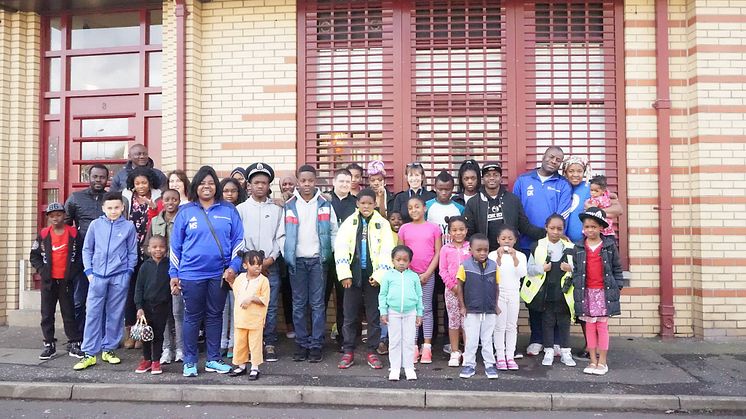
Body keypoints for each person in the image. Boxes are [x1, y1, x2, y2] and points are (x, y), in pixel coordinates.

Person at [169, 166, 245, 377]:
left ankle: (213, 359)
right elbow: (175, 246)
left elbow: (239, 242)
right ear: (196, 186)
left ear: (216, 187)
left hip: (219, 274)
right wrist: (173, 274)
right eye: (202, 183)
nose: (207, 187)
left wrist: (233, 268)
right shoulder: (186, 212)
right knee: (192, 317)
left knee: (214, 316)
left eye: (211, 183)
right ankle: (190, 361)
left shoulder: (229, 210)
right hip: (190, 274)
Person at [514, 148, 572, 358]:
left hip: (555, 245)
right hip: (529, 245)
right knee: (534, 295)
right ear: (543, 157)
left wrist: (551, 235)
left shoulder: (563, 185)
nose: (553, 161)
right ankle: (536, 339)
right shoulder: (523, 180)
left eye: (558, 160)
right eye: (551, 157)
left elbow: (563, 214)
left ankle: (556, 341)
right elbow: (517, 211)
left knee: (555, 295)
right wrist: (535, 234)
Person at [73, 191, 138, 370]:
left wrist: (128, 272)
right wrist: (89, 272)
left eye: (117, 207)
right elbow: (87, 249)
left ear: (123, 207)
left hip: (119, 276)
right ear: (103, 208)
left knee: (115, 314)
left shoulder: (128, 227)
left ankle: (109, 349)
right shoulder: (95, 225)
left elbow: (133, 251)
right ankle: (89, 353)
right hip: (97, 277)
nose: (113, 211)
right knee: (93, 313)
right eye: (109, 208)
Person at [335, 189, 395, 370]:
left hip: (372, 277)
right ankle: (348, 351)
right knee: (350, 315)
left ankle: (372, 351)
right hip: (352, 276)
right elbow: (341, 247)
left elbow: (387, 250)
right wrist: (344, 273)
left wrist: (379, 276)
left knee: (373, 316)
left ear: (375, 204)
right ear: (357, 204)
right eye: (363, 203)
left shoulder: (382, 224)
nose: (366, 206)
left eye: (370, 203)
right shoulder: (349, 223)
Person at [284, 165, 338, 363]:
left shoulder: (325, 203)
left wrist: (328, 252)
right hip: (296, 261)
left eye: (310, 180)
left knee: (317, 304)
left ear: (316, 181)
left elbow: (334, 230)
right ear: (298, 181)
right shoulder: (289, 205)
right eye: (303, 180)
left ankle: (316, 345)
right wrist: (286, 251)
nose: (307, 184)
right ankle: (301, 343)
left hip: (318, 261)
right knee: (298, 305)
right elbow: (282, 233)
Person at [236, 162, 285, 362]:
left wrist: (270, 259)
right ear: (249, 185)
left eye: (264, 183)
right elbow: (238, 238)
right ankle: (247, 345)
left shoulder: (276, 209)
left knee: (269, 305)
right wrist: (251, 262)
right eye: (256, 182)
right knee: (247, 305)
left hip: (269, 266)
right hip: (246, 268)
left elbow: (280, 236)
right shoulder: (240, 209)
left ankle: (269, 342)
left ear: (268, 185)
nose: (260, 186)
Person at [570, 207, 623, 376]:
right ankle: (592, 361)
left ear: (601, 228)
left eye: (593, 226)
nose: (590, 230)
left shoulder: (608, 245)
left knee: (602, 326)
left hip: (603, 292)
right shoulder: (579, 246)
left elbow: (617, 267)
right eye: (587, 227)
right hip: (586, 293)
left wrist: (618, 285)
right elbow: (577, 270)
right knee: (590, 327)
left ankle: (603, 362)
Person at [30, 203, 84, 360]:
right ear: (48, 218)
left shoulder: (74, 233)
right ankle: (49, 344)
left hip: (66, 281)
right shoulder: (43, 234)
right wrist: (43, 271)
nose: (55, 218)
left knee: (69, 313)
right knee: (47, 314)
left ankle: (74, 343)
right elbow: (34, 256)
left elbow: (82, 255)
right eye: (52, 215)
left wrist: (74, 271)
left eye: (59, 214)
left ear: (65, 215)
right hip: (49, 282)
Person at [522, 214, 575, 367]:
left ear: (564, 229)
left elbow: (579, 270)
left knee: (564, 322)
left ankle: (565, 350)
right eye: (552, 228)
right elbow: (528, 269)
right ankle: (548, 349)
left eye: (559, 229)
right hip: (543, 292)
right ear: (546, 228)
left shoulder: (570, 247)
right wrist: (541, 269)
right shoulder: (537, 246)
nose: (555, 232)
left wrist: (570, 268)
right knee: (547, 322)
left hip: (564, 293)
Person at [64, 164, 109, 336]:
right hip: (83, 257)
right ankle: (77, 336)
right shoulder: (75, 198)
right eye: (95, 177)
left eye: (102, 177)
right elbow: (65, 225)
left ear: (107, 179)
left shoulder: (112, 199)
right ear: (88, 178)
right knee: (79, 299)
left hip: (107, 256)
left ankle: (103, 336)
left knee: (105, 299)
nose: (98, 180)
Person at [122, 167, 163, 350]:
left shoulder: (158, 198)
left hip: (149, 250)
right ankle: (131, 331)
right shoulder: (126, 198)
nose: (141, 186)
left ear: (150, 182)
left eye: (144, 182)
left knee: (147, 290)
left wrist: (153, 207)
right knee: (131, 292)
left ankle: (143, 331)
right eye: (137, 183)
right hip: (130, 250)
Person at [397, 196, 441, 364]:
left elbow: (438, 252)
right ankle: (413, 346)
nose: (414, 210)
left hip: (427, 275)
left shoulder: (434, 228)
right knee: (411, 310)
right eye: (410, 208)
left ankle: (427, 346)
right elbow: (400, 253)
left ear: (425, 208)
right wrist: (409, 273)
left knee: (426, 308)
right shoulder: (404, 229)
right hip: (409, 276)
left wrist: (428, 273)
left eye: (417, 206)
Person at [464, 161, 545, 251]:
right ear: (482, 179)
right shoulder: (473, 203)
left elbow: (525, 227)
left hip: (510, 253)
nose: (492, 178)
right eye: (488, 175)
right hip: (484, 255)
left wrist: (548, 234)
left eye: (495, 175)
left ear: (501, 178)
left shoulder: (513, 200)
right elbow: (469, 234)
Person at [145, 189, 182, 364]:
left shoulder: (183, 219)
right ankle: (167, 348)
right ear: (162, 201)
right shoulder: (155, 221)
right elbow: (147, 244)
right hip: (160, 271)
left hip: (179, 270)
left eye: (174, 199)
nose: (170, 202)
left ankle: (180, 348)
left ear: (179, 201)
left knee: (177, 312)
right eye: (167, 199)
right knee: (164, 313)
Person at [456, 233, 499, 380]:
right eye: (478, 250)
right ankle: (469, 364)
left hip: (489, 309)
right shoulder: (465, 266)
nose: (482, 253)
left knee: (487, 339)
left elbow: (497, 286)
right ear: (471, 250)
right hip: (471, 310)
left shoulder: (494, 265)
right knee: (472, 340)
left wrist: (496, 305)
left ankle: (489, 365)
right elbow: (459, 287)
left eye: (485, 250)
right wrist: (462, 306)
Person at [379, 245, 423, 381]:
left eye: (405, 260)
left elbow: (419, 295)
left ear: (410, 261)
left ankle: (409, 367)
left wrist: (419, 313)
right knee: (394, 341)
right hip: (393, 312)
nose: (402, 263)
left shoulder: (414, 277)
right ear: (393, 260)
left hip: (411, 312)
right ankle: (395, 368)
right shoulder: (387, 276)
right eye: (398, 259)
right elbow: (382, 294)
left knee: (409, 340)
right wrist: (383, 311)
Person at [325, 168, 357, 351]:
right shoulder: (324, 201)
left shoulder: (355, 203)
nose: (344, 184)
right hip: (326, 257)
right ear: (334, 182)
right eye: (341, 181)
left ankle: (344, 340)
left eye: (348, 181)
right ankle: (317, 339)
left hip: (346, 259)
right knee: (320, 299)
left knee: (345, 301)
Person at [489, 225, 528, 371]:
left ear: (515, 240)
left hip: (513, 294)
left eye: (510, 238)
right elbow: (492, 273)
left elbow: (522, 273)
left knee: (511, 326)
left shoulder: (521, 255)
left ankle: (510, 356)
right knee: (499, 326)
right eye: (503, 238)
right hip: (499, 293)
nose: (507, 241)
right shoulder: (492, 255)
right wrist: (499, 257)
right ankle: (499, 356)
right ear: (498, 239)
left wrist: (514, 257)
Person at [229, 250, 270, 380]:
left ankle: (255, 367)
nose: (257, 267)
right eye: (253, 264)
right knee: (240, 342)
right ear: (245, 265)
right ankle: (241, 365)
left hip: (255, 319)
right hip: (241, 318)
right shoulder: (240, 279)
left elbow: (264, 299)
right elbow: (236, 291)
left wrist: (252, 298)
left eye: (259, 264)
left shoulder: (264, 281)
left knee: (255, 344)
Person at [134, 235, 172, 375]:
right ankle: (146, 360)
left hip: (162, 306)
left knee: (158, 334)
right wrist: (139, 307)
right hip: (146, 307)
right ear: (148, 249)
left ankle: (156, 360)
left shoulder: (169, 265)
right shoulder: (145, 266)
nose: (158, 250)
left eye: (161, 247)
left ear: (166, 249)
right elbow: (138, 288)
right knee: (145, 335)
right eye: (154, 247)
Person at [562, 157, 623, 243]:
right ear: (565, 172)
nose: (575, 174)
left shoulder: (592, 188)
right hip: (566, 243)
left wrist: (594, 211)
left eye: (579, 171)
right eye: (571, 171)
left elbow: (618, 210)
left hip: (591, 243)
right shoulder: (560, 188)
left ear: (584, 172)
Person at [218, 177, 247, 358]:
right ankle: (222, 341)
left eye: (233, 191)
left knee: (236, 305)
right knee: (222, 307)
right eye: (226, 190)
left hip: (238, 263)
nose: (229, 194)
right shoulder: (217, 210)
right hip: (219, 264)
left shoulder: (241, 210)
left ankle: (234, 343)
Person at [438, 216, 470, 367]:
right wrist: (453, 286)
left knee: (467, 322)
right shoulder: (445, 249)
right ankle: (455, 351)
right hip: (451, 290)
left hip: (468, 291)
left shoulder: (470, 247)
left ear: (466, 231)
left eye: (461, 229)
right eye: (455, 230)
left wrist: (465, 287)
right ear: (449, 232)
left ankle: (468, 353)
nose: (458, 233)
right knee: (453, 321)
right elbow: (442, 270)